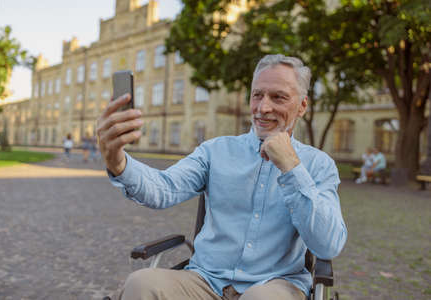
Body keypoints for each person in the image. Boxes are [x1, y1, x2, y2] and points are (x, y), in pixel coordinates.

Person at [97, 54, 347, 300]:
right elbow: (164, 188)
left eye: (278, 97)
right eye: (257, 95)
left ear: (302, 106)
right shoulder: (215, 151)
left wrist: (291, 167)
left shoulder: (318, 165)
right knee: (141, 283)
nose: (263, 107)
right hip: (205, 280)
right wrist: (117, 161)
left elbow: (328, 245)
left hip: (275, 284)